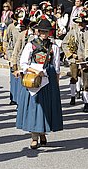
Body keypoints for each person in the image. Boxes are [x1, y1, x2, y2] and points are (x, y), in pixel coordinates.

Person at [17, 19, 64, 149]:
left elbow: (56, 67)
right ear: (38, 31)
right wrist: (36, 72)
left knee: (46, 108)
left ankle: (43, 132)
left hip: (48, 80)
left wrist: (56, 83)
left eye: (46, 31)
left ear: (49, 32)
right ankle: (34, 136)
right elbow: (23, 63)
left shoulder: (54, 47)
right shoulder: (30, 45)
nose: (44, 33)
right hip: (34, 78)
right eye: (42, 31)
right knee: (34, 108)